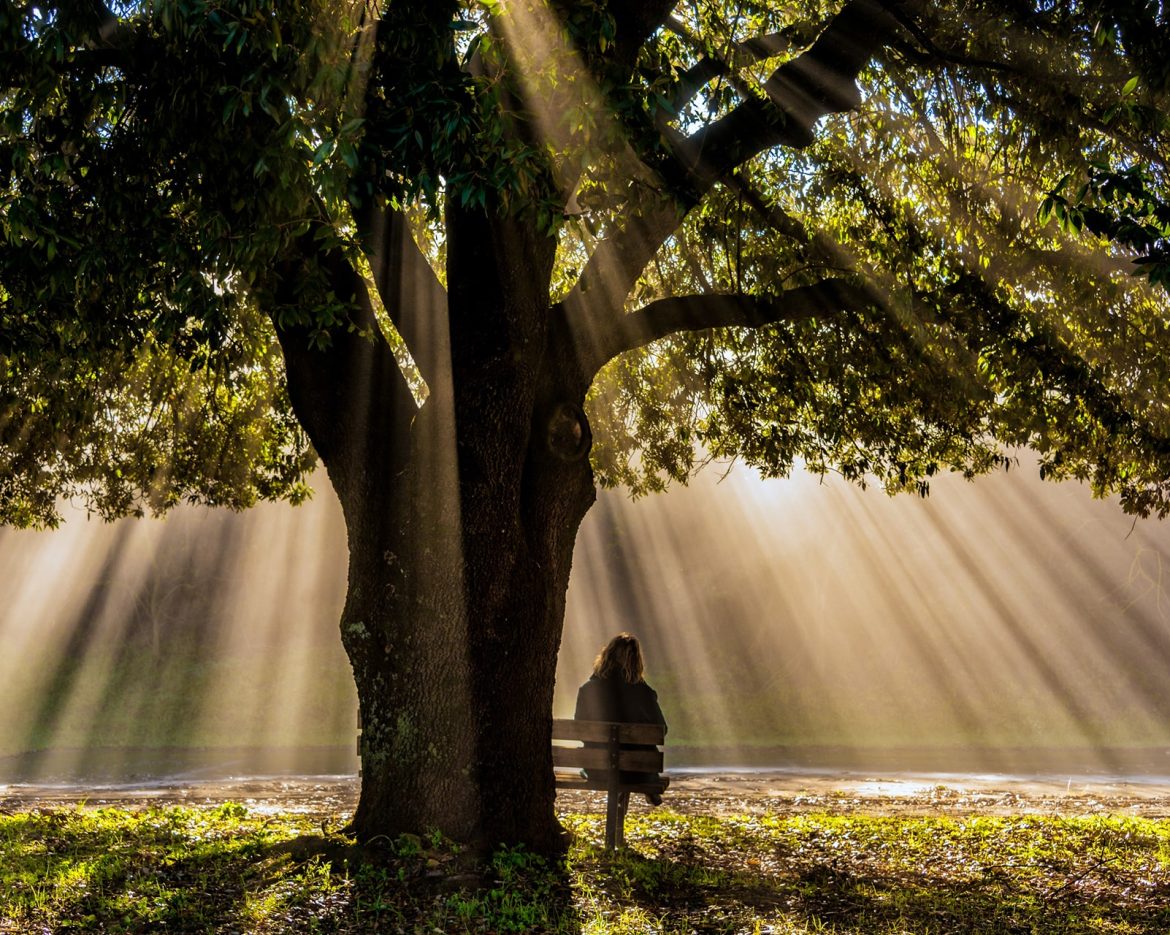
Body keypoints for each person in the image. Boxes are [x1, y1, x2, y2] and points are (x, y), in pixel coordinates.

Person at [574, 632, 668, 805]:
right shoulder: (644, 693)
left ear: (606, 656)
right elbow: (662, 729)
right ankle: (648, 786)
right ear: (636, 661)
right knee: (633, 760)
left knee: (614, 762)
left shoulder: (588, 689)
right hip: (638, 771)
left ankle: (623, 792)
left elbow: (580, 731)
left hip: (597, 768)